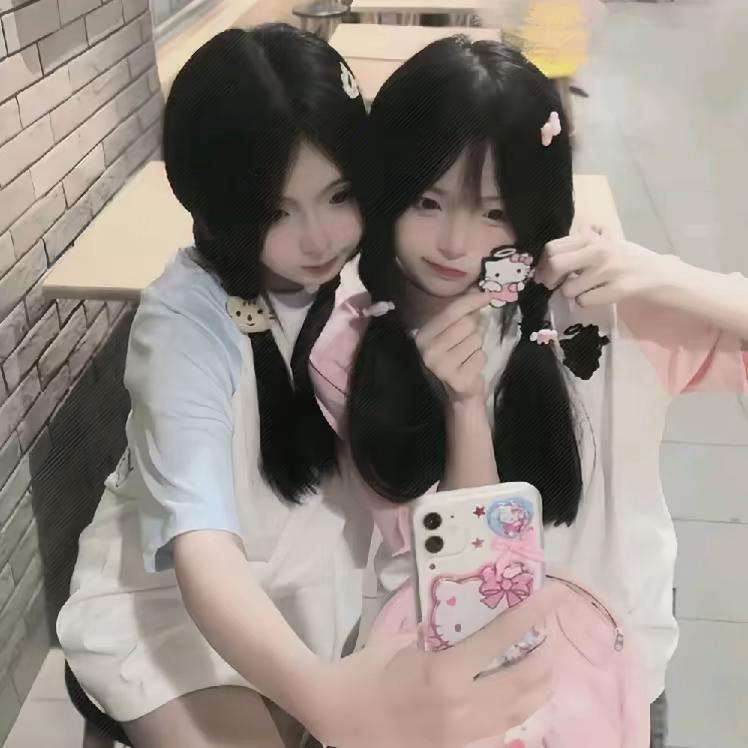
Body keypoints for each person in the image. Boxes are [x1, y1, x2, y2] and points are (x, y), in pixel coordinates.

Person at [57, 25, 565, 748]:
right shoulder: (185, 324)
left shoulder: (376, 280)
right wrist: (327, 699)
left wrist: (465, 399)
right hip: (173, 616)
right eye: (276, 211)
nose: (319, 238)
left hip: (318, 607)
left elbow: (450, 515)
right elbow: (202, 548)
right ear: (219, 205)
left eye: (339, 195)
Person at [308, 35, 748, 747]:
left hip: (613, 673)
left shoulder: (608, 311)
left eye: (493, 212)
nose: (455, 243)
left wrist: (656, 274)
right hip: (452, 688)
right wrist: (461, 406)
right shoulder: (350, 348)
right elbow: (468, 564)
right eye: (427, 201)